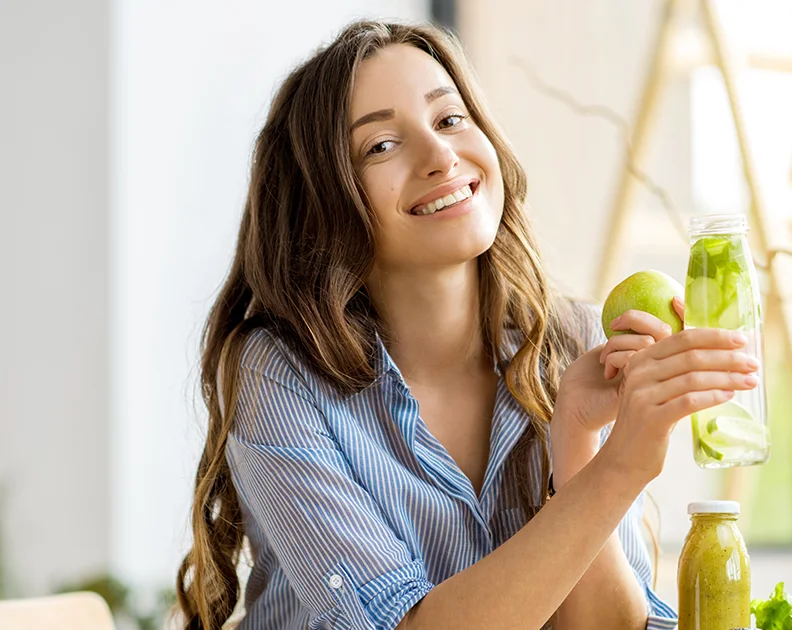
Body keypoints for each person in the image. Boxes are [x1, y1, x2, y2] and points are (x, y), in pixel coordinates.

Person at [174, 20, 760, 630]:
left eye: (449, 119)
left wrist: (579, 448)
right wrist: (622, 468)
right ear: (322, 202)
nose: (440, 155)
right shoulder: (280, 376)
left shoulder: (576, 345)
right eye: (381, 146)